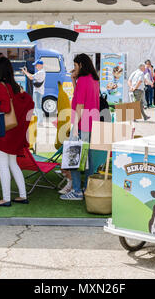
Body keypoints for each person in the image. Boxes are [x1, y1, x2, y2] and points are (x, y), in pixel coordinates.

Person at [0, 57, 34, 207]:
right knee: (13, 164)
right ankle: (23, 195)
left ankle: (6, 198)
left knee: (3, 166)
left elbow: (5, 109)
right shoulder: (15, 86)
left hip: (4, 133)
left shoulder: (1, 87)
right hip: (15, 133)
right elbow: (29, 103)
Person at [60, 53, 100, 201]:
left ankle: (76, 191)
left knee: (74, 157)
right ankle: (86, 188)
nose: (74, 68)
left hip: (82, 124)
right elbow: (80, 96)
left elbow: (80, 105)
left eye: (75, 65)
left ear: (81, 65)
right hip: (91, 123)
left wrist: (75, 126)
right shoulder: (94, 80)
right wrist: (73, 81)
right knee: (87, 158)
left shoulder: (83, 80)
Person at [22, 59, 46, 127]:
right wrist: (26, 72)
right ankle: (38, 121)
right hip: (37, 91)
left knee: (38, 107)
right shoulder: (40, 72)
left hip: (38, 92)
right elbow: (32, 75)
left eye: (36, 65)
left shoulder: (41, 72)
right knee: (36, 106)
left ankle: (40, 122)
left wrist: (25, 72)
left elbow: (31, 77)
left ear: (40, 65)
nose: (35, 66)